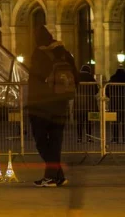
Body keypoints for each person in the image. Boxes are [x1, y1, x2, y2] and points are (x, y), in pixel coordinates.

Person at [26, 25, 79, 187]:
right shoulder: (64, 52)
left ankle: (51, 177)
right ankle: (58, 176)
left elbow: (35, 80)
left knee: (41, 141)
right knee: (55, 142)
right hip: (61, 104)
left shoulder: (39, 53)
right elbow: (76, 77)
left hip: (41, 106)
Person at [75, 64, 98, 144]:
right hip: (89, 103)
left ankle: (79, 138)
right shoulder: (91, 78)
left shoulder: (77, 77)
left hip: (78, 103)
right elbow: (96, 90)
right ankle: (88, 137)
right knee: (89, 121)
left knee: (79, 121)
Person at [106, 66, 125, 144]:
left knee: (115, 122)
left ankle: (115, 138)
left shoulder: (112, 80)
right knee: (124, 122)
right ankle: (124, 139)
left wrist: (111, 97)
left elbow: (106, 91)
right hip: (124, 104)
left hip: (114, 104)